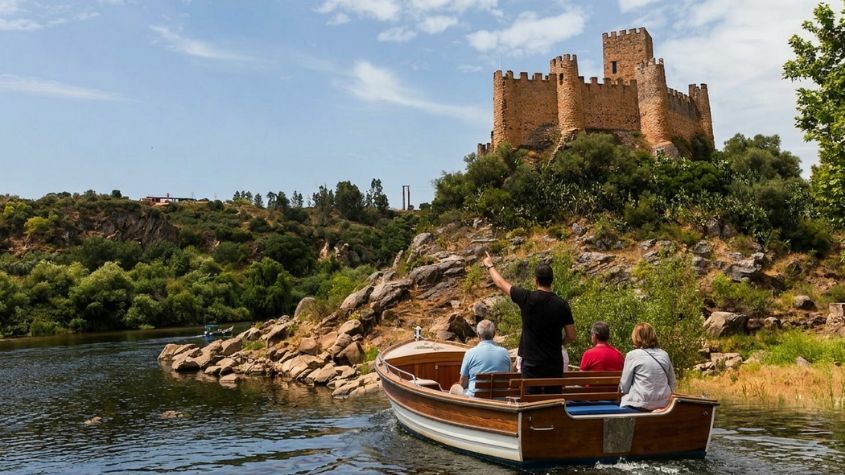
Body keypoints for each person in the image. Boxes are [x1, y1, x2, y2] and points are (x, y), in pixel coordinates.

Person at [482, 252, 575, 392]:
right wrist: (560, 343)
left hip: (532, 363)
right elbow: (571, 335)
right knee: (553, 401)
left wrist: (490, 265)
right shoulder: (562, 305)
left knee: (531, 401)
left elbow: (501, 283)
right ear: (552, 280)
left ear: (535, 280)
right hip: (553, 363)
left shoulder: (527, 298)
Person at [619, 322, 677, 411]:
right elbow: (672, 383)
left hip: (639, 403)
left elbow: (625, 387)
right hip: (664, 404)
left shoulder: (632, 355)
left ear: (636, 337)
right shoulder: (664, 354)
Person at [454, 319, 512, 397]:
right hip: (500, 400)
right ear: (494, 334)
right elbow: (509, 376)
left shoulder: (470, 353)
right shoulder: (505, 353)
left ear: (478, 334)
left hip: (476, 400)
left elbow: (463, 383)